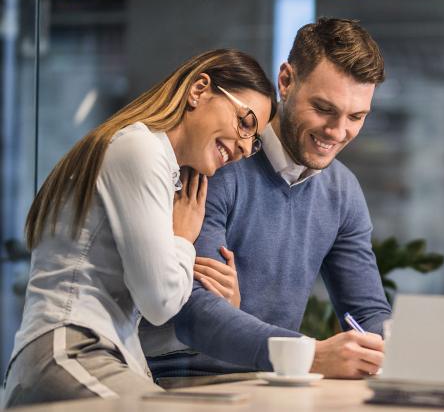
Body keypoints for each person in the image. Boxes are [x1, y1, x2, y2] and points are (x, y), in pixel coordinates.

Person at [2, 49, 276, 407]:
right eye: (246, 122)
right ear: (198, 90)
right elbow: (160, 301)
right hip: (67, 353)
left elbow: (151, 302)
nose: (244, 146)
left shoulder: (158, 164)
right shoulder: (140, 148)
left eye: (254, 142)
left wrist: (217, 300)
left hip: (93, 356)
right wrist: (181, 240)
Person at [143, 18, 391, 380]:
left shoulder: (342, 191)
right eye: (323, 109)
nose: (338, 132)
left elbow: (367, 312)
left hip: (273, 382)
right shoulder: (217, 162)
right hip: (182, 380)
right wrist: (309, 355)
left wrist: (395, 347)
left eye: (356, 116)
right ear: (286, 81)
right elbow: (194, 311)